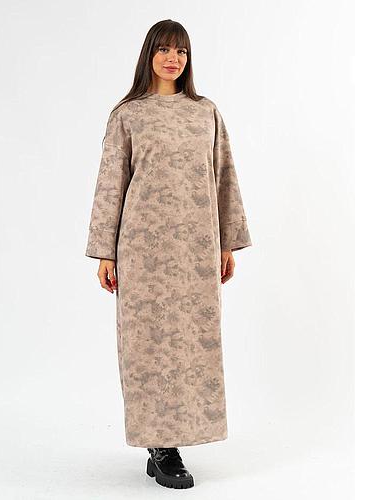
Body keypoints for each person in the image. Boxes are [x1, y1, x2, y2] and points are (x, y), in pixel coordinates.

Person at [85, 19, 252, 489]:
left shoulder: (206, 113)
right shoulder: (128, 114)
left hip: (196, 249)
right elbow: (110, 183)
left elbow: (224, 176)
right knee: (148, 346)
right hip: (143, 250)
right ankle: (160, 446)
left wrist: (227, 242)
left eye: (181, 51)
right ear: (149, 55)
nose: (173, 58)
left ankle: (178, 436)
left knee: (193, 342)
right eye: (164, 49)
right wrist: (106, 252)